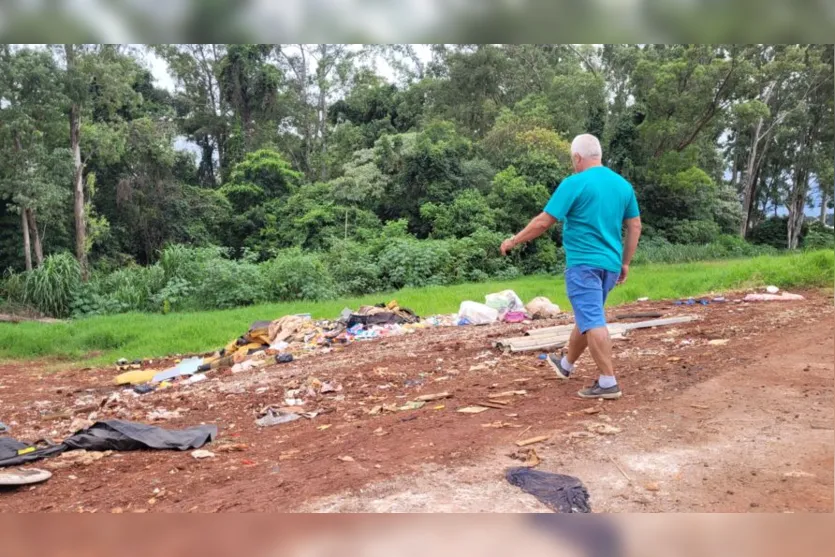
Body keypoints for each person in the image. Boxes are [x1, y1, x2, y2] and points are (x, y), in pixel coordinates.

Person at [500, 134, 642, 399]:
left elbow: (544, 222)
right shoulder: (623, 185)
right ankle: (565, 365)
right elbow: (634, 226)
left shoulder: (574, 183)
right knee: (588, 316)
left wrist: (513, 240)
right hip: (609, 266)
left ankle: (608, 382)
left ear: (577, 157)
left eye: (572, 159)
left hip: (583, 265)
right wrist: (625, 262)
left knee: (593, 319)